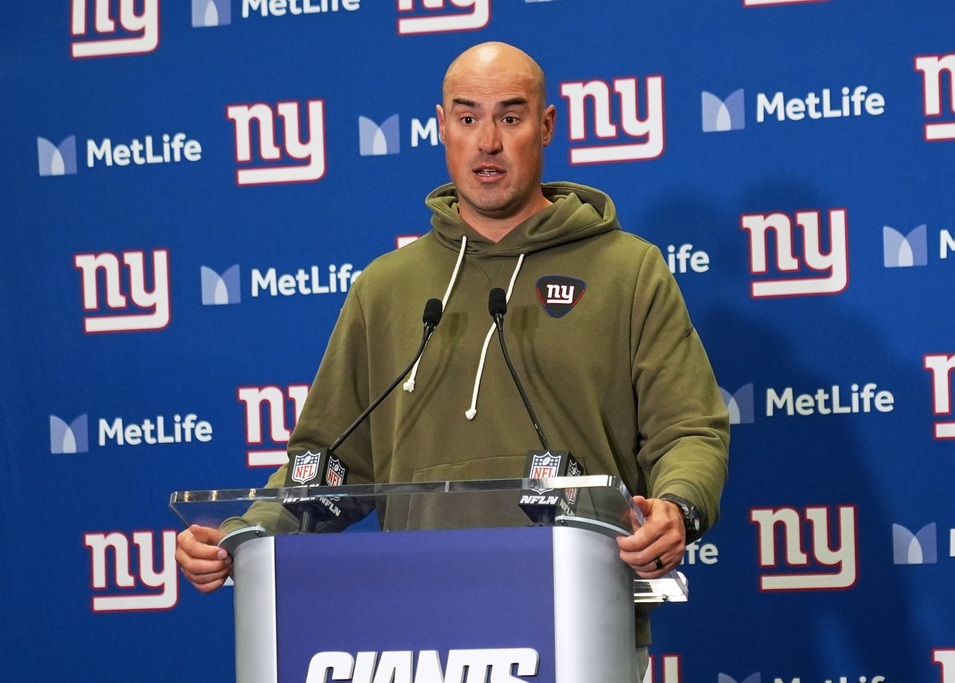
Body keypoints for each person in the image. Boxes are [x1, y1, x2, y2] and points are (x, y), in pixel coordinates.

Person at [177, 41, 729, 680]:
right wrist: (247, 535)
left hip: (580, 619)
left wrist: (678, 508)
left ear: (546, 127)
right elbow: (330, 461)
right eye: (467, 118)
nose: (487, 141)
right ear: (441, 127)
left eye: (510, 117)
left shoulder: (629, 271)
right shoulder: (386, 288)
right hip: (414, 633)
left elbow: (688, 431)